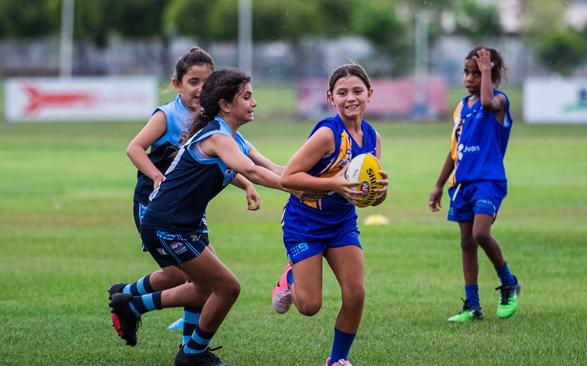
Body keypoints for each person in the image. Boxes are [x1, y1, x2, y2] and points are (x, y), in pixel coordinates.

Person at [110, 69, 286, 366]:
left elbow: (277, 169)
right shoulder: (217, 137)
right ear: (225, 104)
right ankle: (191, 353)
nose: (254, 103)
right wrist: (303, 189)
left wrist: (324, 179)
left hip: (186, 224)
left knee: (204, 287)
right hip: (167, 224)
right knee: (228, 288)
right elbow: (255, 172)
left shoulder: (235, 139)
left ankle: (135, 306)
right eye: (247, 96)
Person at [271, 64, 389, 366]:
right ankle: (290, 276)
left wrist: (380, 192)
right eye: (342, 92)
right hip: (305, 223)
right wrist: (333, 184)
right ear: (330, 97)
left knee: (356, 294)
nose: (351, 98)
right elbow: (288, 177)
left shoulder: (373, 138)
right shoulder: (326, 134)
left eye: (357, 91)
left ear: (369, 94)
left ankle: (337, 360)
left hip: (341, 223)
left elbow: (367, 198)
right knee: (309, 306)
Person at [428, 47, 521, 322]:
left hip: (488, 182)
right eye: (467, 72)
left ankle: (509, 282)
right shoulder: (460, 107)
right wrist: (438, 185)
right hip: (462, 184)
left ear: (491, 74)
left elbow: (487, 102)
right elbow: (454, 150)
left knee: (481, 233)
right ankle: (472, 305)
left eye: (476, 73)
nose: (469, 78)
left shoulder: (499, 102)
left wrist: (486, 72)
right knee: (467, 242)